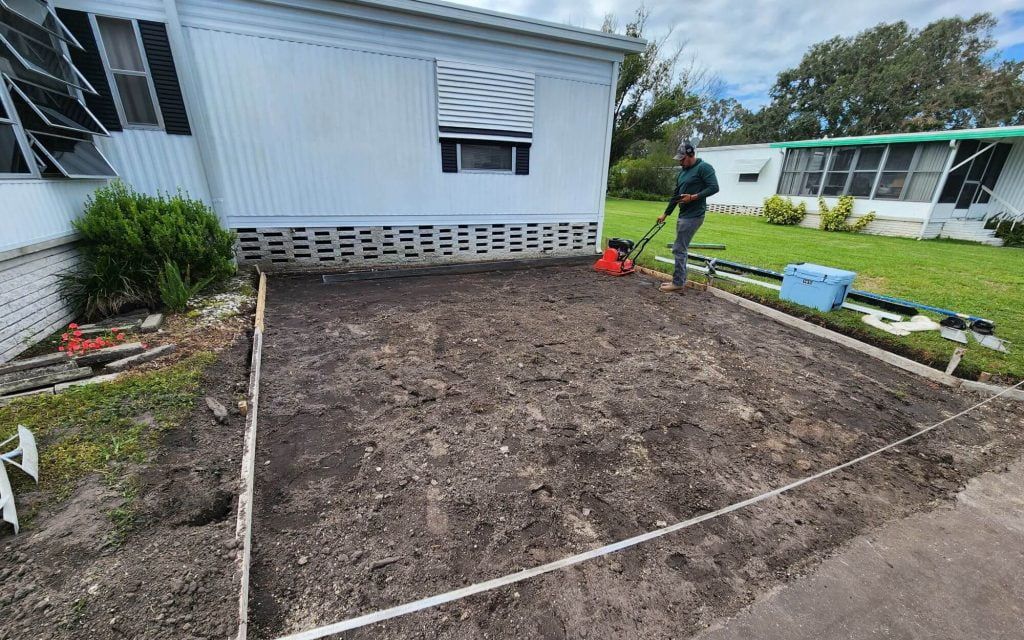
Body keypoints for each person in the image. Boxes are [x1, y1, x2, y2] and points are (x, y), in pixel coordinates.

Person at [656, 139, 719, 293]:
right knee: (680, 248)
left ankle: (677, 283)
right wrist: (666, 213)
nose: (680, 163)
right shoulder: (683, 172)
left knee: (678, 248)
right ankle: (680, 280)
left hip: (694, 215)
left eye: (682, 159)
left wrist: (693, 197)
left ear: (691, 155)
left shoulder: (704, 168)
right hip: (683, 215)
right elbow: (676, 195)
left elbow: (714, 187)